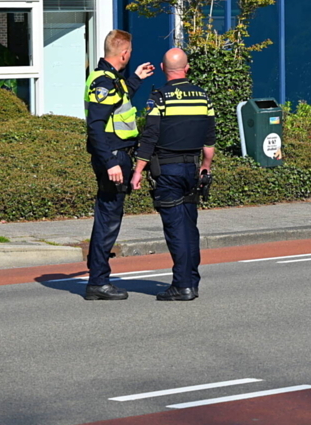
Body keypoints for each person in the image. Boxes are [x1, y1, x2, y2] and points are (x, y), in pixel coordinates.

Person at [131, 48, 215, 302]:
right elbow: (209, 140)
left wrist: (137, 171)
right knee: (189, 227)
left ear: (163, 68)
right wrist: (206, 166)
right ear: (187, 68)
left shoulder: (159, 97)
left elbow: (150, 136)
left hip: (167, 171)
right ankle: (192, 281)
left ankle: (182, 285)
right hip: (192, 170)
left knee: (175, 229)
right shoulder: (203, 97)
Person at [84, 30, 155, 301]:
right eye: (130, 52)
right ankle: (98, 281)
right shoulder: (104, 81)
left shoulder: (110, 78)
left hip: (115, 154)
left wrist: (136, 78)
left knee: (108, 215)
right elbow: (95, 126)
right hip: (113, 156)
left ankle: (97, 276)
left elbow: (119, 101)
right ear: (124, 53)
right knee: (108, 217)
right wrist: (111, 161)